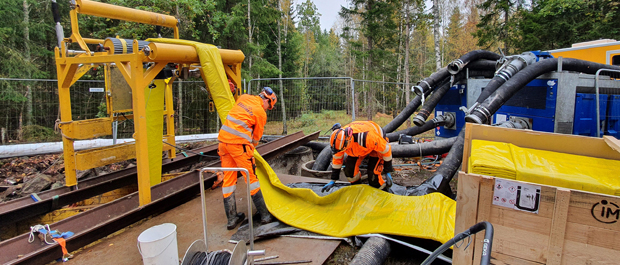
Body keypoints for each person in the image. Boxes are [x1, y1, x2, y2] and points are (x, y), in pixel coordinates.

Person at [217, 87, 277, 230]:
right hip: (239, 146)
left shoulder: (243, 98)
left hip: (223, 143)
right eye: (269, 106)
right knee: (251, 179)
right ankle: (265, 215)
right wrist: (251, 151)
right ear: (267, 101)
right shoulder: (260, 113)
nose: (268, 109)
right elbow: (255, 139)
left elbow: (239, 117)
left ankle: (231, 219)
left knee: (229, 180)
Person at [322, 121, 394, 193]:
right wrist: (333, 180)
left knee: (373, 176)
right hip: (357, 148)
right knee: (350, 172)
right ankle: (358, 190)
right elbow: (337, 159)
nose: (340, 152)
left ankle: (384, 192)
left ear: (348, 141)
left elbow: (386, 150)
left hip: (376, 141)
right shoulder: (340, 142)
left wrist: (388, 170)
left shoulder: (367, 137)